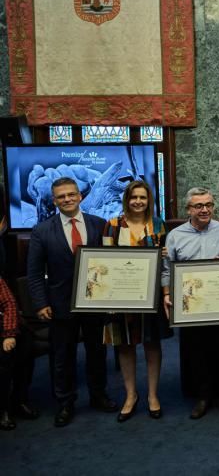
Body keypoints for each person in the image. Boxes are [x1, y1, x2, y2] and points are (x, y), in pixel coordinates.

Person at [27, 177, 118, 427]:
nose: (67, 199)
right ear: (54, 200)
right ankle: (65, 403)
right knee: (62, 357)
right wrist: (40, 303)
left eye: (71, 194)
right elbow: (34, 273)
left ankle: (98, 396)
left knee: (97, 353)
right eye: (61, 196)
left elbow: (112, 264)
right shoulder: (42, 230)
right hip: (60, 305)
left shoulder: (99, 225)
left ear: (80, 196)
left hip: (94, 303)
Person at [102, 181, 170, 422]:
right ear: (126, 200)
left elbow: (165, 263)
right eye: (134, 198)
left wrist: (165, 292)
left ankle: (152, 395)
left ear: (148, 200)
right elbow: (104, 260)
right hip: (121, 297)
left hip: (150, 296)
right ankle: (130, 395)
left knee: (152, 345)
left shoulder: (158, 224)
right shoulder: (111, 226)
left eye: (143, 197)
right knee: (125, 346)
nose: (138, 202)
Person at [162, 187, 219, 419]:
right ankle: (203, 396)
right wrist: (166, 293)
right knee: (197, 350)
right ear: (188, 209)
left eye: (208, 205)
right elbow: (167, 269)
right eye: (199, 206)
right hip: (190, 305)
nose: (204, 210)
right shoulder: (175, 236)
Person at [1, 278, 38, 430]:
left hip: (4, 325)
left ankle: (19, 400)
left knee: (26, 344)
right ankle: (2, 409)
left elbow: (9, 303)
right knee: (3, 360)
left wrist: (9, 333)